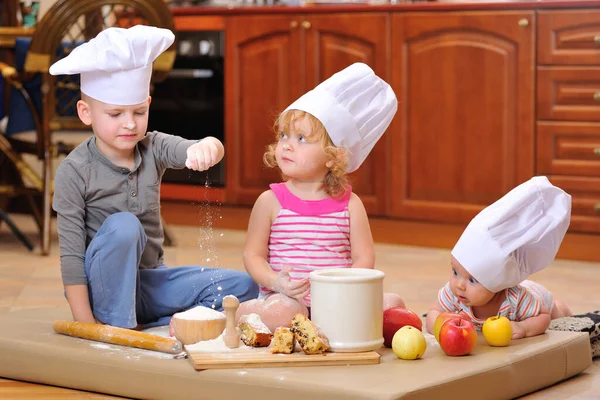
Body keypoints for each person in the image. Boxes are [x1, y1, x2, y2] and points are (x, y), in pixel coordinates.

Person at [50, 25, 258, 330]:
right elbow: (70, 258)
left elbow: (203, 145)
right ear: (86, 112)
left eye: (137, 112)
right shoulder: (73, 170)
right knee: (124, 226)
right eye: (115, 114)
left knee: (243, 286)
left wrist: (208, 148)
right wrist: (86, 324)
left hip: (149, 283)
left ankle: (158, 320)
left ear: (148, 105)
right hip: (103, 290)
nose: (129, 124)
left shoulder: (153, 146)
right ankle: (120, 323)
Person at [235, 63, 406, 332]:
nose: (287, 144)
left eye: (302, 138)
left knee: (393, 303)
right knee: (286, 310)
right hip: (286, 299)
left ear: (332, 156)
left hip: (338, 301)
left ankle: (322, 323)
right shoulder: (270, 201)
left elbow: (364, 258)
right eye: (283, 135)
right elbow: (252, 255)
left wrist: (344, 289)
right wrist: (276, 281)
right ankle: (246, 312)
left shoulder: (350, 205)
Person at [425, 176, 573, 339]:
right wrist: (439, 326)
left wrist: (523, 327)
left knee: (559, 322)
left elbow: (542, 317)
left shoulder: (517, 299)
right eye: (455, 272)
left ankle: (561, 307)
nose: (459, 284)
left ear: (497, 284)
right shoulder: (453, 294)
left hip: (539, 296)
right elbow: (434, 312)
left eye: (472, 280)